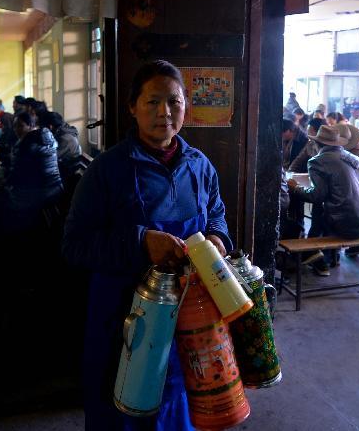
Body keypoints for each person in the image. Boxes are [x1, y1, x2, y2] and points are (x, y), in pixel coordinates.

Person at [63, 60, 232, 430]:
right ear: (132, 106)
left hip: (190, 320)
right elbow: (74, 244)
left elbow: (216, 213)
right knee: (122, 409)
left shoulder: (200, 166)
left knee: (180, 407)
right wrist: (141, 242)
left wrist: (218, 238)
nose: (164, 113)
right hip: (125, 322)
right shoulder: (106, 171)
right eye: (153, 101)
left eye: (174, 101)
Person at [288, 124, 359, 275]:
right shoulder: (354, 158)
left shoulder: (318, 161)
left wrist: (295, 187)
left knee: (319, 206)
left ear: (316, 144)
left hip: (348, 226)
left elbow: (316, 196)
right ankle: (323, 256)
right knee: (333, 202)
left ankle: (312, 253)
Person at [6, 112, 64, 219]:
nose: (16, 129)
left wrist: (3, 183)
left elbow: (17, 174)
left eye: (20, 126)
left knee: (3, 200)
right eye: (15, 126)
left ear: (31, 126)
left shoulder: (27, 144)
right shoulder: (48, 137)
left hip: (41, 191)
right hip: (56, 187)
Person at [39, 110, 83, 177]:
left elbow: (51, 158)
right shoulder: (62, 131)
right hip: (65, 168)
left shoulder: (65, 138)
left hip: (68, 174)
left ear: (50, 127)